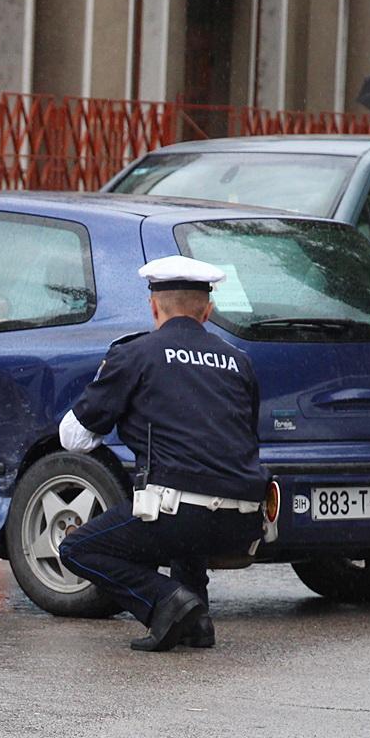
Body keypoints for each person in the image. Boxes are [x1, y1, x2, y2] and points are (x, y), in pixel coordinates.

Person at [55, 256, 267, 652]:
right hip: (243, 522)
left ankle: (168, 602)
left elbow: (75, 438)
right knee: (190, 520)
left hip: (179, 514)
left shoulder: (137, 354)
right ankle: (197, 621)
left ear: (154, 307)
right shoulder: (239, 362)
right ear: (208, 309)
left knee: (78, 548)